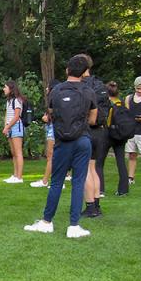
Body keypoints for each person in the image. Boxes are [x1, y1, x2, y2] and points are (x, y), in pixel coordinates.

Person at [25, 54, 97, 238]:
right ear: (84, 72)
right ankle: (73, 226)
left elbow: (50, 114)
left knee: (56, 182)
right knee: (78, 182)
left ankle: (46, 221)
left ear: (67, 70)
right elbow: (93, 119)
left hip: (62, 141)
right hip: (82, 140)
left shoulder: (55, 91)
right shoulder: (89, 92)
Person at [81, 57, 108, 218]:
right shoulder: (99, 84)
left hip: (88, 131)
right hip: (101, 131)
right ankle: (96, 205)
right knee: (94, 168)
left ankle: (90, 206)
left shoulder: (84, 86)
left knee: (85, 170)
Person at [96, 81, 130, 196]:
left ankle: (100, 189)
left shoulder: (107, 103)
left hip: (108, 134)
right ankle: (123, 190)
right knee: (121, 162)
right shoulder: (122, 103)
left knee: (99, 162)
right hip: (121, 135)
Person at [31, 79, 61, 189]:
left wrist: (47, 118)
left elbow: (56, 114)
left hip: (53, 128)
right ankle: (57, 180)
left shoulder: (55, 99)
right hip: (51, 128)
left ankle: (46, 181)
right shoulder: (54, 99)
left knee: (51, 156)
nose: (47, 89)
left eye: (48, 87)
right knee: (54, 156)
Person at [2, 80, 25, 184]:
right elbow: (7, 115)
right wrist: (6, 126)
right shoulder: (9, 101)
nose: (3, 89)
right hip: (10, 127)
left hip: (16, 127)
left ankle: (19, 177)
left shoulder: (17, 100)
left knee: (18, 153)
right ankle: (15, 175)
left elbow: (16, 116)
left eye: (5, 87)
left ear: (11, 89)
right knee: (14, 153)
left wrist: (8, 127)